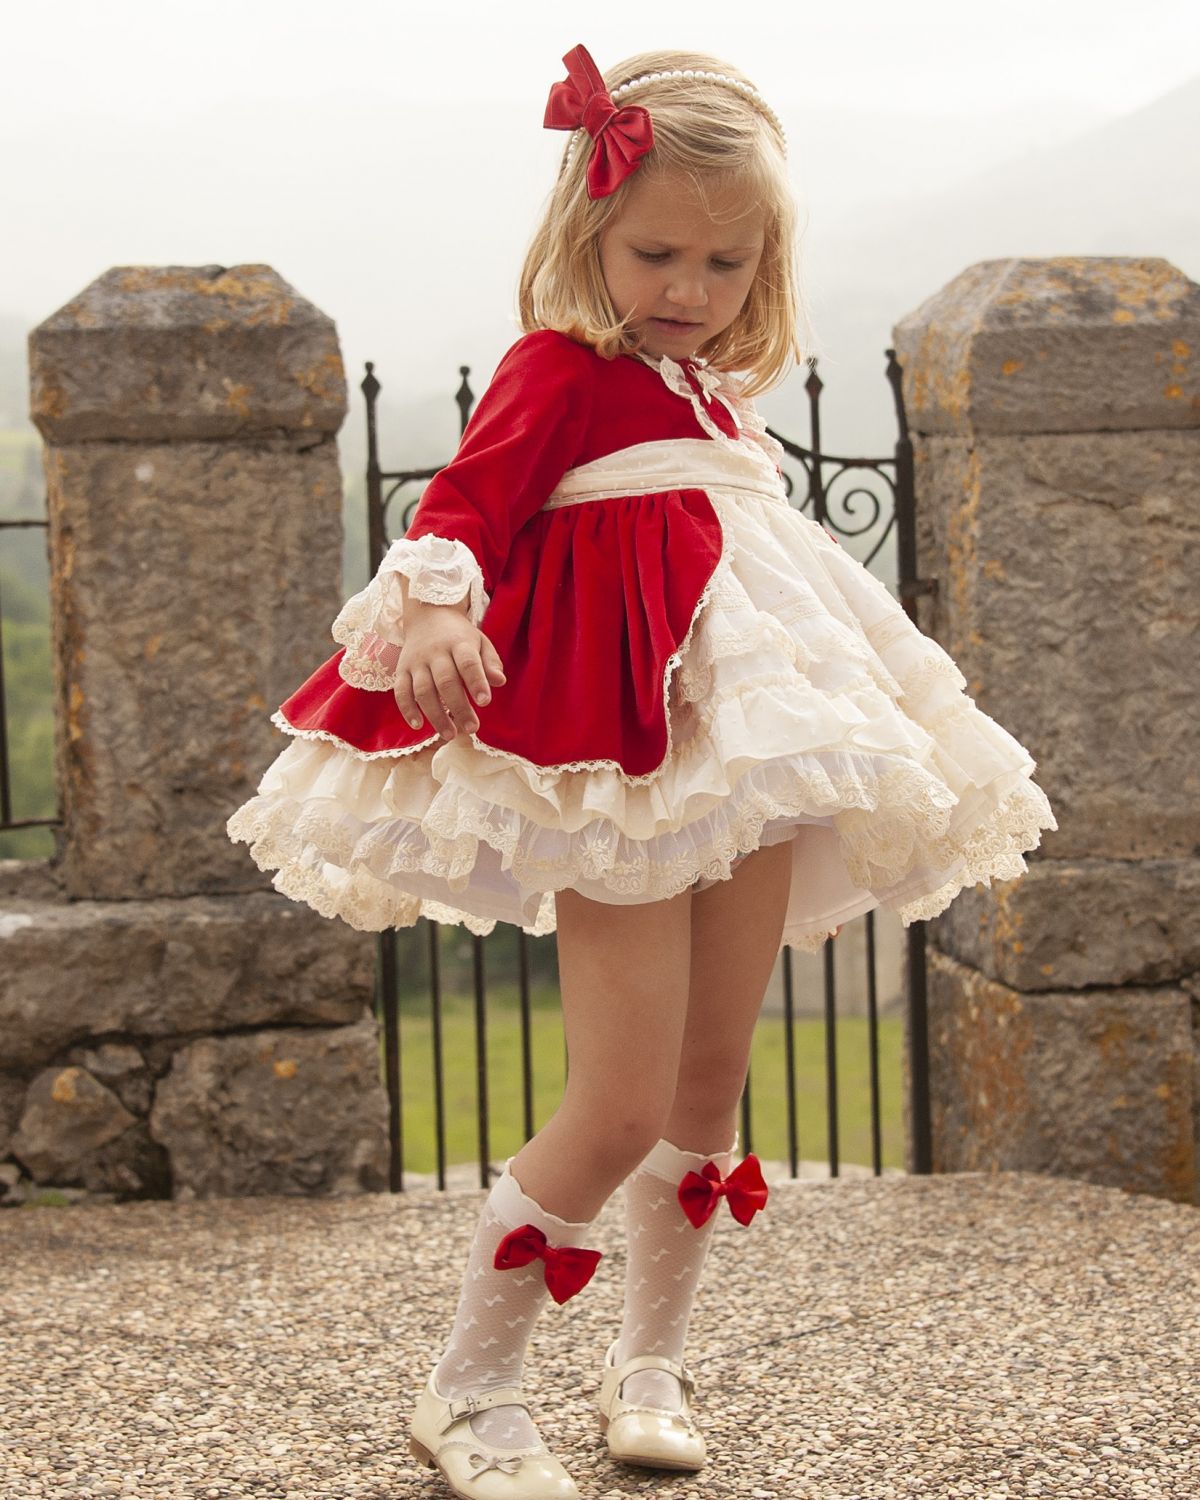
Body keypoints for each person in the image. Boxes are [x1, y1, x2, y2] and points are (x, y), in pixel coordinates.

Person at [226, 41, 1057, 1500]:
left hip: (741, 754)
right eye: (658, 251)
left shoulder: (710, 398)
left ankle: (650, 1364)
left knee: (712, 1083)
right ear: (587, 233)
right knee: (617, 1103)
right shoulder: (566, 367)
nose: (689, 287)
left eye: (725, 263)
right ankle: (469, 1391)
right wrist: (430, 601)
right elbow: (471, 502)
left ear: (764, 265)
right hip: (619, 761)